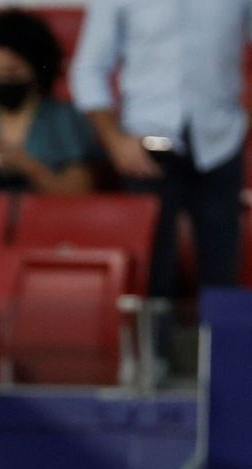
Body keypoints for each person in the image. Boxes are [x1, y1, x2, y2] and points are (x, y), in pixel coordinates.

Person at [70, 0, 251, 297]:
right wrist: (115, 142)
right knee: (153, 273)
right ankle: (153, 344)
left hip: (220, 139)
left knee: (222, 270)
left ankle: (221, 344)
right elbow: (88, 69)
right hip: (145, 142)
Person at [0, 9, 98, 194]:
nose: (3, 80)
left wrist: (26, 165)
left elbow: (80, 192)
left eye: (12, 71)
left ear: (37, 68)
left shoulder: (63, 119)